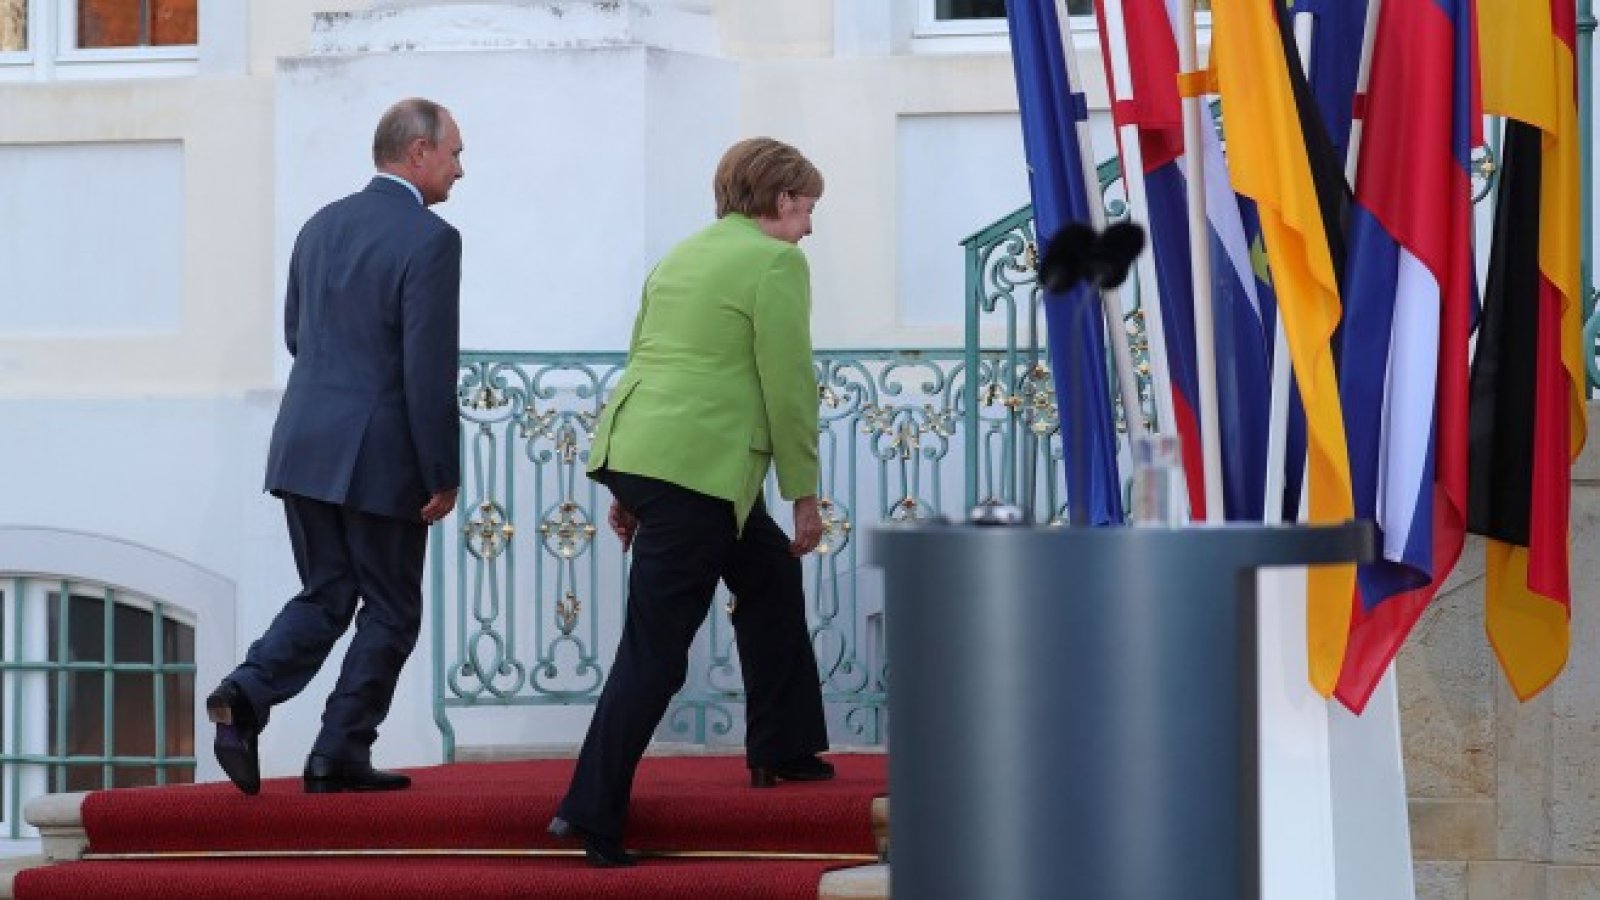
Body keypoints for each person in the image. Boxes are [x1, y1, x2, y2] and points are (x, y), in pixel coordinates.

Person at [548, 137, 833, 867]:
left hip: (647, 451)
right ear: (780, 201)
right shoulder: (776, 262)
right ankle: (590, 811)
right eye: (807, 209)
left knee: (769, 574)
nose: (809, 227)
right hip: (699, 471)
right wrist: (804, 494)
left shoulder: (681, 255)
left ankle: (785, 746)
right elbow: (788, 384)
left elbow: (644, 355)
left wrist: (631, 490)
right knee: (656, 648)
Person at [206, 97, 465, 796]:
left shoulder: (319, 225)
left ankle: (245, 693)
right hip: (380, 456)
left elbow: (298, 335)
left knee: (327, 594)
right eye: (454, 153)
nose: (460, 169)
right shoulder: (432, 239)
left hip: (303, 445)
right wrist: (441, 472)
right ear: (418, 152)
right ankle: (339, 750)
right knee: (392, 609)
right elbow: (427, 369)